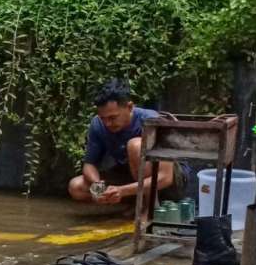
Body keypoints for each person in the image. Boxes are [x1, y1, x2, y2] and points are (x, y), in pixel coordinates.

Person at [68, 78, 188, 208]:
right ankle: (134, 203)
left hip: (171, 182)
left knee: (135, 145)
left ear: (130, 107)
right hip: (132, 179)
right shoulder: (97, 124)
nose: (108, 123)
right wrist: (98, 187)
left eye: (113, 118)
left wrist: (122, 191)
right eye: (103, 118)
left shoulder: (152, 120)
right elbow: (89, 165)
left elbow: (166, 177)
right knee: (77, 187)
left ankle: (148, 209)